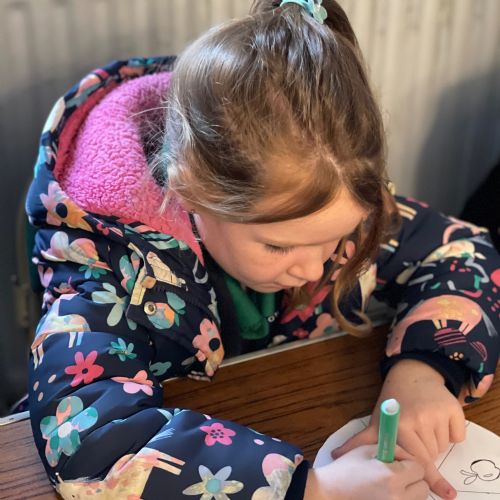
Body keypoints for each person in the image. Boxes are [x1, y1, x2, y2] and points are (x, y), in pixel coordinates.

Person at [25, 0, 499, 498]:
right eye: (278, 246)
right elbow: (88, 442)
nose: (313, 267)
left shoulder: (324, 192)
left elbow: (461, 249)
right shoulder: (106, 269)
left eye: (334, 239)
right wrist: (312, 490)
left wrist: (426, 370)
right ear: (190, 188)